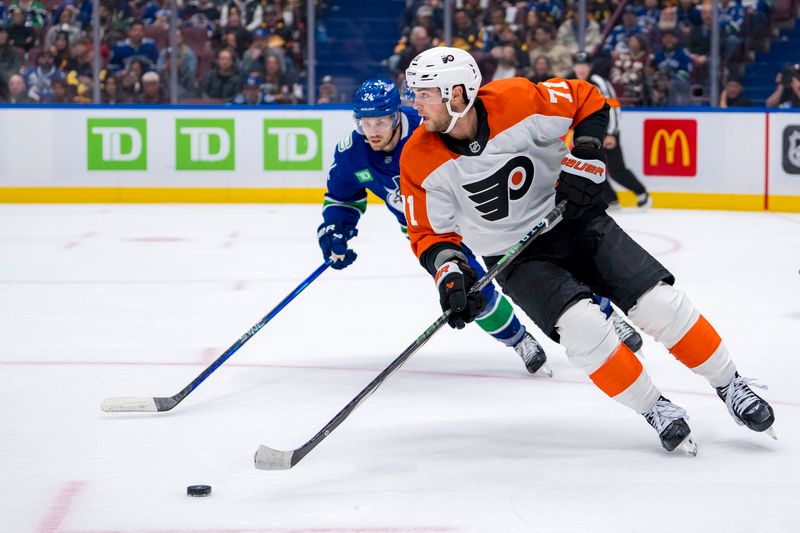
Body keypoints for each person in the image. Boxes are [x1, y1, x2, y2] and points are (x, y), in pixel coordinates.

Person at [400, 47, 776, 454]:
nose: (415, 103)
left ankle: (731, 384)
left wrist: (588, 152)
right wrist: (451, 275)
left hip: (575, 221)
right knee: (583, 330)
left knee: (659, 304)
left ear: (457, 93)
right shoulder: (417, 158)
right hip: (518, 258)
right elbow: (430, 236)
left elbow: (587, 100)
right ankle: (655, 408)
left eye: (424, 93)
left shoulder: (518, 99)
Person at [318, 78, 551, 376]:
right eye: (366, 123)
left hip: (472, 211)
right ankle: (520, 340)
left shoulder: (428, 126)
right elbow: (342, 197)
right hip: (430, 232)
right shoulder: (352, 153)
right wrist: (336, 231)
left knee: (529, 264)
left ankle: (599, 312)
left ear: (395, 116)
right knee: (469, 287)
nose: (373, 132)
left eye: (380, 122)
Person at [572, 52, 650, 209]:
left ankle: (641, 193)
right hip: (587, 134)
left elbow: (613, 106)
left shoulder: (598, 82)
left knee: (616, 170)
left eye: (585, 65)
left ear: (590, 67)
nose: (581, 69)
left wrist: (611, 133)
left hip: (606, 131)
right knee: (593, 168)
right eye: (578, 65)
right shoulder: (571, 83)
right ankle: (611, 199)